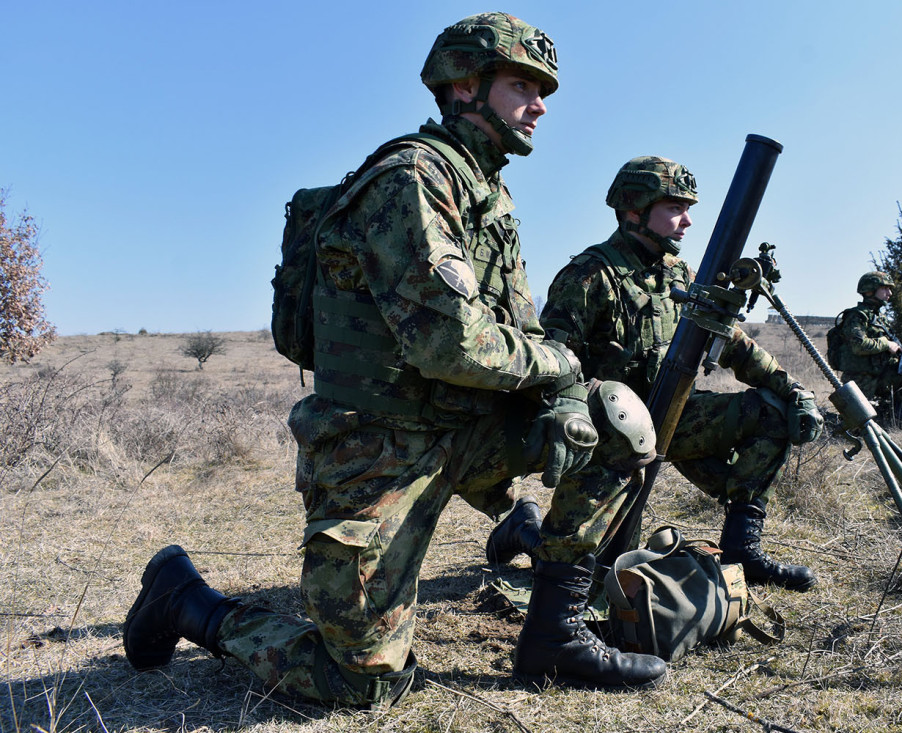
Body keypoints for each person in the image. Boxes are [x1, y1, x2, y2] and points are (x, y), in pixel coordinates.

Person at [122, 13, 668, 709]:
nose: (541, 104)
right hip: (377, 444)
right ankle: (187, 601)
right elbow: (450, 342)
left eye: (544, 91)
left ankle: (554, 634)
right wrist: (557, 364)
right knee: (363, 680)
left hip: (460, 431)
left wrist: (564, 390)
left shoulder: (490, 196)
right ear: (466, 86)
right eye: (522, 85)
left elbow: (523, 329)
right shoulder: (413, 177)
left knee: (616, 417)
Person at [488, 156, 824, 591]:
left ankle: (742, 550)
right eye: (674, 209)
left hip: (674, 417)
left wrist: (792, 388)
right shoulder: (589, 275)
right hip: (609, 437)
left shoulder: (679, 275)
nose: (686, 222)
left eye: (688, 210)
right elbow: (553, 363)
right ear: (634, 210)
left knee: (774, 412)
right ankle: (524, 527)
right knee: (576, 564)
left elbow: (733, 343)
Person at [833, 271, 902, 423]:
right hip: (861, 378)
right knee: (857, 424)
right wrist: (886, 343)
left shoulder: (878, 318)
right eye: (885, 289)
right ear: (870, 290)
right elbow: (858, 345)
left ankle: (900, 417)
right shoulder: (857, 316)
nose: (889, 293)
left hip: (880, 375)